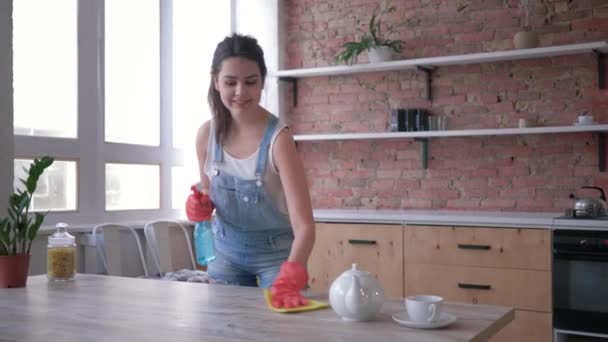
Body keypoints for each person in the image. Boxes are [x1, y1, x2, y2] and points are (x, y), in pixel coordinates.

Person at [186, 33, 315, 309]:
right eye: (231, 82)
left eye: (250, 82)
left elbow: (304, 226)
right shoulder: (206, 136)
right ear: (216, 82)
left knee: (280, 331)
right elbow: (208, 194)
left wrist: (292, 274)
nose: (241, 92)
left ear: (262, 83)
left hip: (276, 255)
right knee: (224, 330)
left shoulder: (279, 139)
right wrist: (198, 206)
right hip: (225, 252)